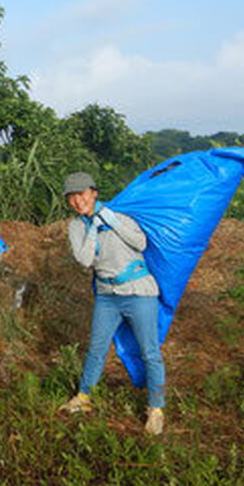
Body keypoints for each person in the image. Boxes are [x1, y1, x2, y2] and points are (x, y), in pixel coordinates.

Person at [58, 171, 166, 436]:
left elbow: (140, 242)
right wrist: (94, 229)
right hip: (107, 296)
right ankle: (84, 398)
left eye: (82, 194)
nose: (78, 201)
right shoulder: (76, 227)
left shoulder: (122, 216)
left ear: (94, 193)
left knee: (149, 352)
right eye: (72, 197)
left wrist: (112, 221)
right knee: (96, 348)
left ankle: (156, 409)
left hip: (139, 293)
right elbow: (85, 259)